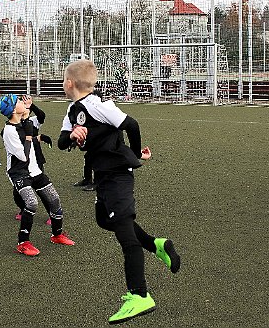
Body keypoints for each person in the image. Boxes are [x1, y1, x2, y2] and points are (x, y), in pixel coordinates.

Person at [58, 60, 180, 324]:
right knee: (104, 220)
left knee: (124, 231)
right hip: (102, 174)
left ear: (69, 83)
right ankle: (157, 244)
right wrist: (72, 135)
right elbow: (60, 142)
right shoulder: (71, 110)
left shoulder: (101, 106)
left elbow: (132, 124)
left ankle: (140, 295)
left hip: (118, 174)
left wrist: (135, 154)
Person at [0, 93, 75, 256]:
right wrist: (28, 135)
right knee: (31, 203)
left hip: (35, 170)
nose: (22, 102)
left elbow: (31, 135)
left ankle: (57, 235)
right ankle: (23, 242)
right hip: (19, 173)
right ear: (13, 109)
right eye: (18, 101)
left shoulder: (23, 122)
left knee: (54, 199)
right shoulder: (9, 131)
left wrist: (37, 137)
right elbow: (23, 156)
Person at [12, 95, 53, 226]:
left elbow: (42, 116)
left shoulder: (34, 120)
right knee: (17, 190)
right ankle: (23, 209)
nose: (24, 106)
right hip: (20, 160)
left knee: (41, 189)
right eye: (22, 104)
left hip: (36, 158)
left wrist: (31, 105)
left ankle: (52, 214)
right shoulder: (14, 124)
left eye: (26, 105)